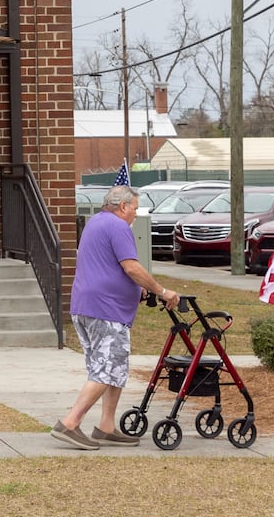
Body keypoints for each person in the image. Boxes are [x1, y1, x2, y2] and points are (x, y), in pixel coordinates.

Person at [53, 184, 179, 451]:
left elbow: (107, 266)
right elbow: (131, 266)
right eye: (134, 208)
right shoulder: (119, 227)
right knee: (107, 368)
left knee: (112, 368)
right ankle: (70, 423)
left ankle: (106, 427)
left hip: (85, 306)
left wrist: (138, 290)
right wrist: (162, 291)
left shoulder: (95, 223)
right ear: (123, 206)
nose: (135, 214)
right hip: (105, 310)